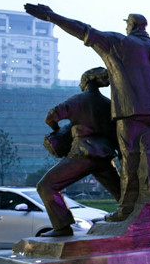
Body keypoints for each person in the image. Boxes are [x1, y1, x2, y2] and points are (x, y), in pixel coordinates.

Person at [24, 5, 150, 222]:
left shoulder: (118, 42)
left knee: (131, 161)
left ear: (130, 25)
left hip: (131, 113)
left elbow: (83, 29)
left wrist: (52, 16)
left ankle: (127, 210)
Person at [37, 67, 121, 236]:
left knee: (46, 186)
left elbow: (51, 117)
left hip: (82, 154)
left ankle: (62, 227)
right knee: (123, 195)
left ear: (86, 81)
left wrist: (58, 131)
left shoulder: (78, 100)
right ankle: (136, 218)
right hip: (105, 157)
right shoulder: (108, 104)